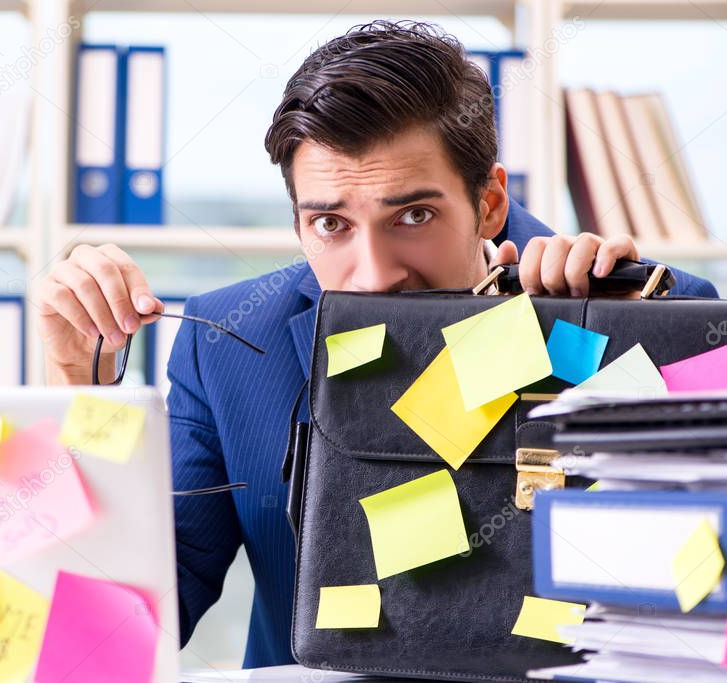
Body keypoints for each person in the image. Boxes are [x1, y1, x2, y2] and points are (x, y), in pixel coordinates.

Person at [35, 20, 718, 668]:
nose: (374, 272)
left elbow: (700, 590)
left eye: (412, 214)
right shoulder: (231, 344)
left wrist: (633, 348)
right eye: (331, 223)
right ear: (298, 222)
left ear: (487, 202)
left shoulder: (653, 309)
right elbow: (124, 636)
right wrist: (75, 385)